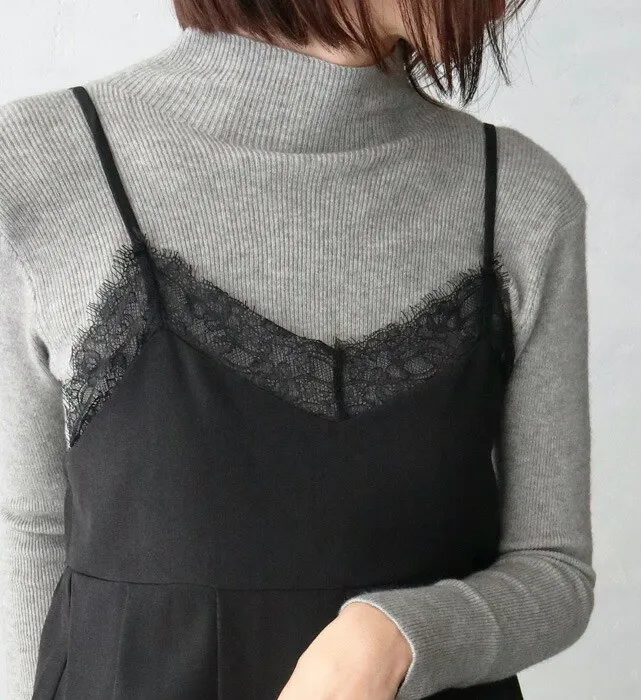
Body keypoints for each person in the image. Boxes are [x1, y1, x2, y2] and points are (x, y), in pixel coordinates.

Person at [0, 0, 595, 698]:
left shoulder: (522, 199)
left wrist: (395, 637)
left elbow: (555, 569)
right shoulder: (40, 168)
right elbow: (27, 528)